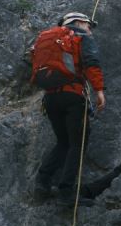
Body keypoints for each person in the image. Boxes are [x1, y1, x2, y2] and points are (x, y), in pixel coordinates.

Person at [32, 12, 106, 205]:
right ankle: (66, 192)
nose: (90, 29)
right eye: (89, 25)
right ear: (79, 22)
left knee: (63, 142)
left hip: (50, 98)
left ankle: (42, 181)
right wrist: (99, 90)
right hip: (73, 96)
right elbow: (91, 63)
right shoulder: (81, 37)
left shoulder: (46, 38)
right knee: (77, 143)